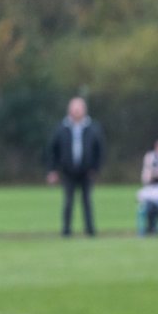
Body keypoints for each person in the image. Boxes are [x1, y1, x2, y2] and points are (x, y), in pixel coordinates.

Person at [46, 96, 103, 237]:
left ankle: (90, 230)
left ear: (84, 110)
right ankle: (66, 231)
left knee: (87, 201)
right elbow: (53, 150)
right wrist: (52, 170)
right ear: (69, 110)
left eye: (79, 108)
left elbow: (100, 150)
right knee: (68, 201)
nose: (77, 111)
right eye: (74, 108)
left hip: (86, 171)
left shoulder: (93, 128)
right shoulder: (61, 128)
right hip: (68, 171)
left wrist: (95, 168)